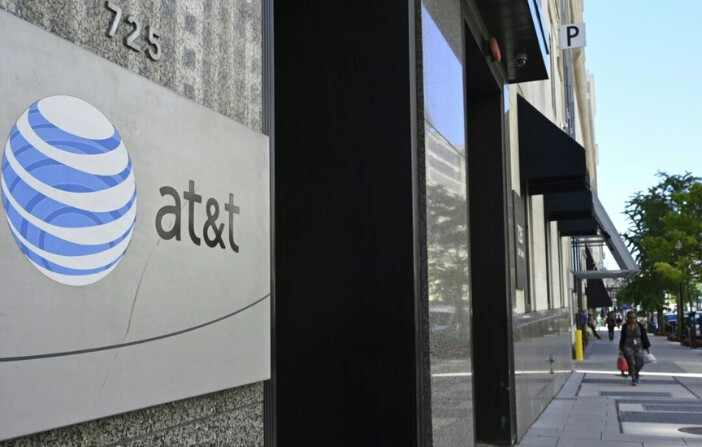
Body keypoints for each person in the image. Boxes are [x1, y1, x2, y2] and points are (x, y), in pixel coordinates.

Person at [619, 310, 652, 386]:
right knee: (631, 361)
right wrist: (620, 349)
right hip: (627, 345)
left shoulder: (640, 326)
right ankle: (634, 378)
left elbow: (644, 337)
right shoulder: (625, 327)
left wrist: (647, 348)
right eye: (631, 318)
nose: (632, 320)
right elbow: (622, 338)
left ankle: (636, 373)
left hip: (639, 345)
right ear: (628, 318)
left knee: (640, 361)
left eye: (634, 318)